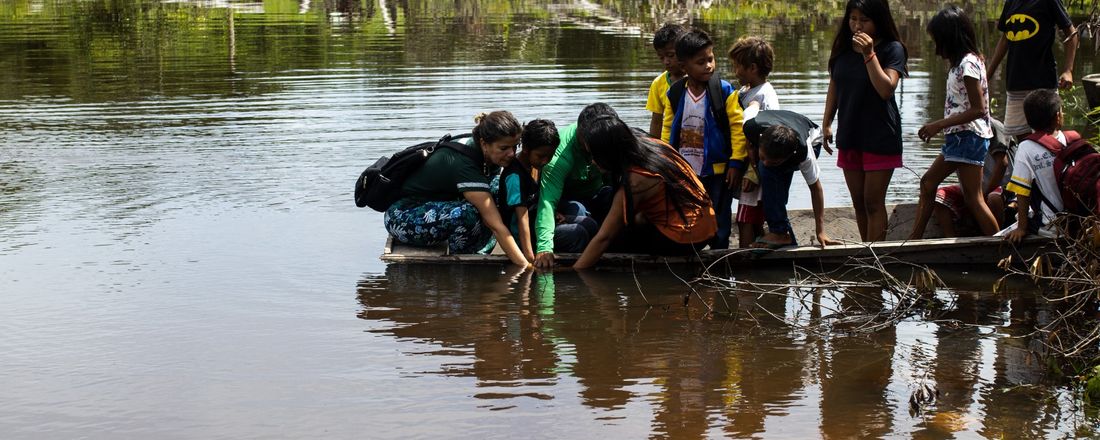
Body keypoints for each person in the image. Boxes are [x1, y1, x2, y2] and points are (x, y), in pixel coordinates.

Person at [384, 111, 530, 267]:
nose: (512, 154)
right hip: (403, 216)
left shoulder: (487, 153)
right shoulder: (465, 164)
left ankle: (480, 247)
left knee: (497, 191)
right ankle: (466, 262)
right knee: (466, 214)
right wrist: (525, 266)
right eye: (504, 148)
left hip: (437, 204)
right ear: (484, 144)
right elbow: (495, 224)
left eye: (515, 146)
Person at [572, 113, 717, 269]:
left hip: (685, 239)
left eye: (595, 156)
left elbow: (604, 238)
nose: (592, 161)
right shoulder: (653, 144)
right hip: (707, 226)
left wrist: (576, 273)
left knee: (614, 240)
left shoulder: (636, 181)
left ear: (609, 154)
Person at [909, 5, 999, 240]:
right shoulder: (967, 62)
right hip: (963, 137)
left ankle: (1001, 248)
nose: (937, 48)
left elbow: (979, 109)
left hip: (967, 137)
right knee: (937, 186)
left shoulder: (968, 65)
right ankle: (914, 239)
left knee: (966, 195)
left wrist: (939, 124)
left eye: (938, 40)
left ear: (950, 38)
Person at [822, 0, 908, 242]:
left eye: (864, 20)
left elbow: (885, 89)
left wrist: (869, 54)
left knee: (873, 202)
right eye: (853, 18)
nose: (857, 25)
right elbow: (835, 83)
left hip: (880, 135)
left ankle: (875, 259)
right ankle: (865, 253)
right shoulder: (843, 47)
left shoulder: (892, 49)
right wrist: (827, 122)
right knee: (859, 203)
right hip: (850, 132)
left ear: (878, 21)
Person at [667, 28, 748, 250]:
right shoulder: (675, 94)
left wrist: (736, 162)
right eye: (700, 62)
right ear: (684, 67)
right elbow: (667, 129)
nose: (708, 66)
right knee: (690, 210)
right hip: (686, 169)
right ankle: (693, 247)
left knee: (719, 213)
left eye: (710, 59)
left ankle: (719, 250)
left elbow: (737, 128)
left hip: (718, 170)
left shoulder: (723, 90)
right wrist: (666, 162)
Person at [498, 119, 598, 262]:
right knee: (578, 234)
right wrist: (528, 257)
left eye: (550, 156)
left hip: (536, 222)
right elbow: (521, 219)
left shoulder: (535, 166)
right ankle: (571, 273)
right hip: (524, 236)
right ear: (526, 149)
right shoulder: (514, 176)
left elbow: (537, 201)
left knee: (590, 224)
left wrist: (554, 214)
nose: (546, 161)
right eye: (541, 156)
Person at [532, 104, 617, 269]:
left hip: (597, 194)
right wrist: (544, 247)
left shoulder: (608, 139)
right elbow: (548, 203)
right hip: (567, 203)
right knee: (579, 210)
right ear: (582, 136)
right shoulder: (560, 157)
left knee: (611, 195)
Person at [743, 110, 838, 249]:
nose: (765, 162)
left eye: (774, 161)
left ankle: (780, 232)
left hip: (812, 139)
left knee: (768, 172)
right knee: (769, 173)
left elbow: (816, 188)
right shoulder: (751, 126)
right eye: (762, 157)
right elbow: (752, 107)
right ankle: (782, 234)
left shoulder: (803, 153)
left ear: (788, 157)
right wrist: (750, 149)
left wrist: (821, 231)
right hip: (775, 129)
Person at [987, 0, 1077, 138]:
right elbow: (1005, 38)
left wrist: (1068, 70)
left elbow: (1072, 34)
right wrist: (988, 75)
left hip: (1043, 84)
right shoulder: (1011, 2)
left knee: (1049, 137)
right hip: (1016, 83)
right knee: (1022, 138)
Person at [728, 36, 779, 247]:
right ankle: (759, 252)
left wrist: (751, 172)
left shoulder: (766, 95)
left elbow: (769, 138)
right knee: (755, 216)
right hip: (750, 164)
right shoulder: (745, 91)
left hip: (757, 166)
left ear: (752, 68)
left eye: (738, 66)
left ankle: (745, 263)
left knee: (744, 219)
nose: (735, 71)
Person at [931, 119, 1015, 237]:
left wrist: (984, 193)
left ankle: (997, 240)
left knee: (993, 198)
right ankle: (951, 242)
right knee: (939, 197)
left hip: (1003, 186)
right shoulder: (958, 129)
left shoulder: (993, 126)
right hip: (976, 189)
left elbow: (1002, 164)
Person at [1003, 89, 1066, 243]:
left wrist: (1022, 227)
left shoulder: (1026, 147)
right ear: (1057, 117)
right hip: (1078, 223)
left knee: (1007, 228)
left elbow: (1022, 192)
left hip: (1051, 228)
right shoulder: (1069, 140)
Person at [647, 23, 688, 143]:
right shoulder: (658, 84)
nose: (666, 62)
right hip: (668, 144)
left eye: (670, 55)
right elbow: (656, 121)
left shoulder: (697, 79)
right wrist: (655, 148)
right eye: (661, 57)